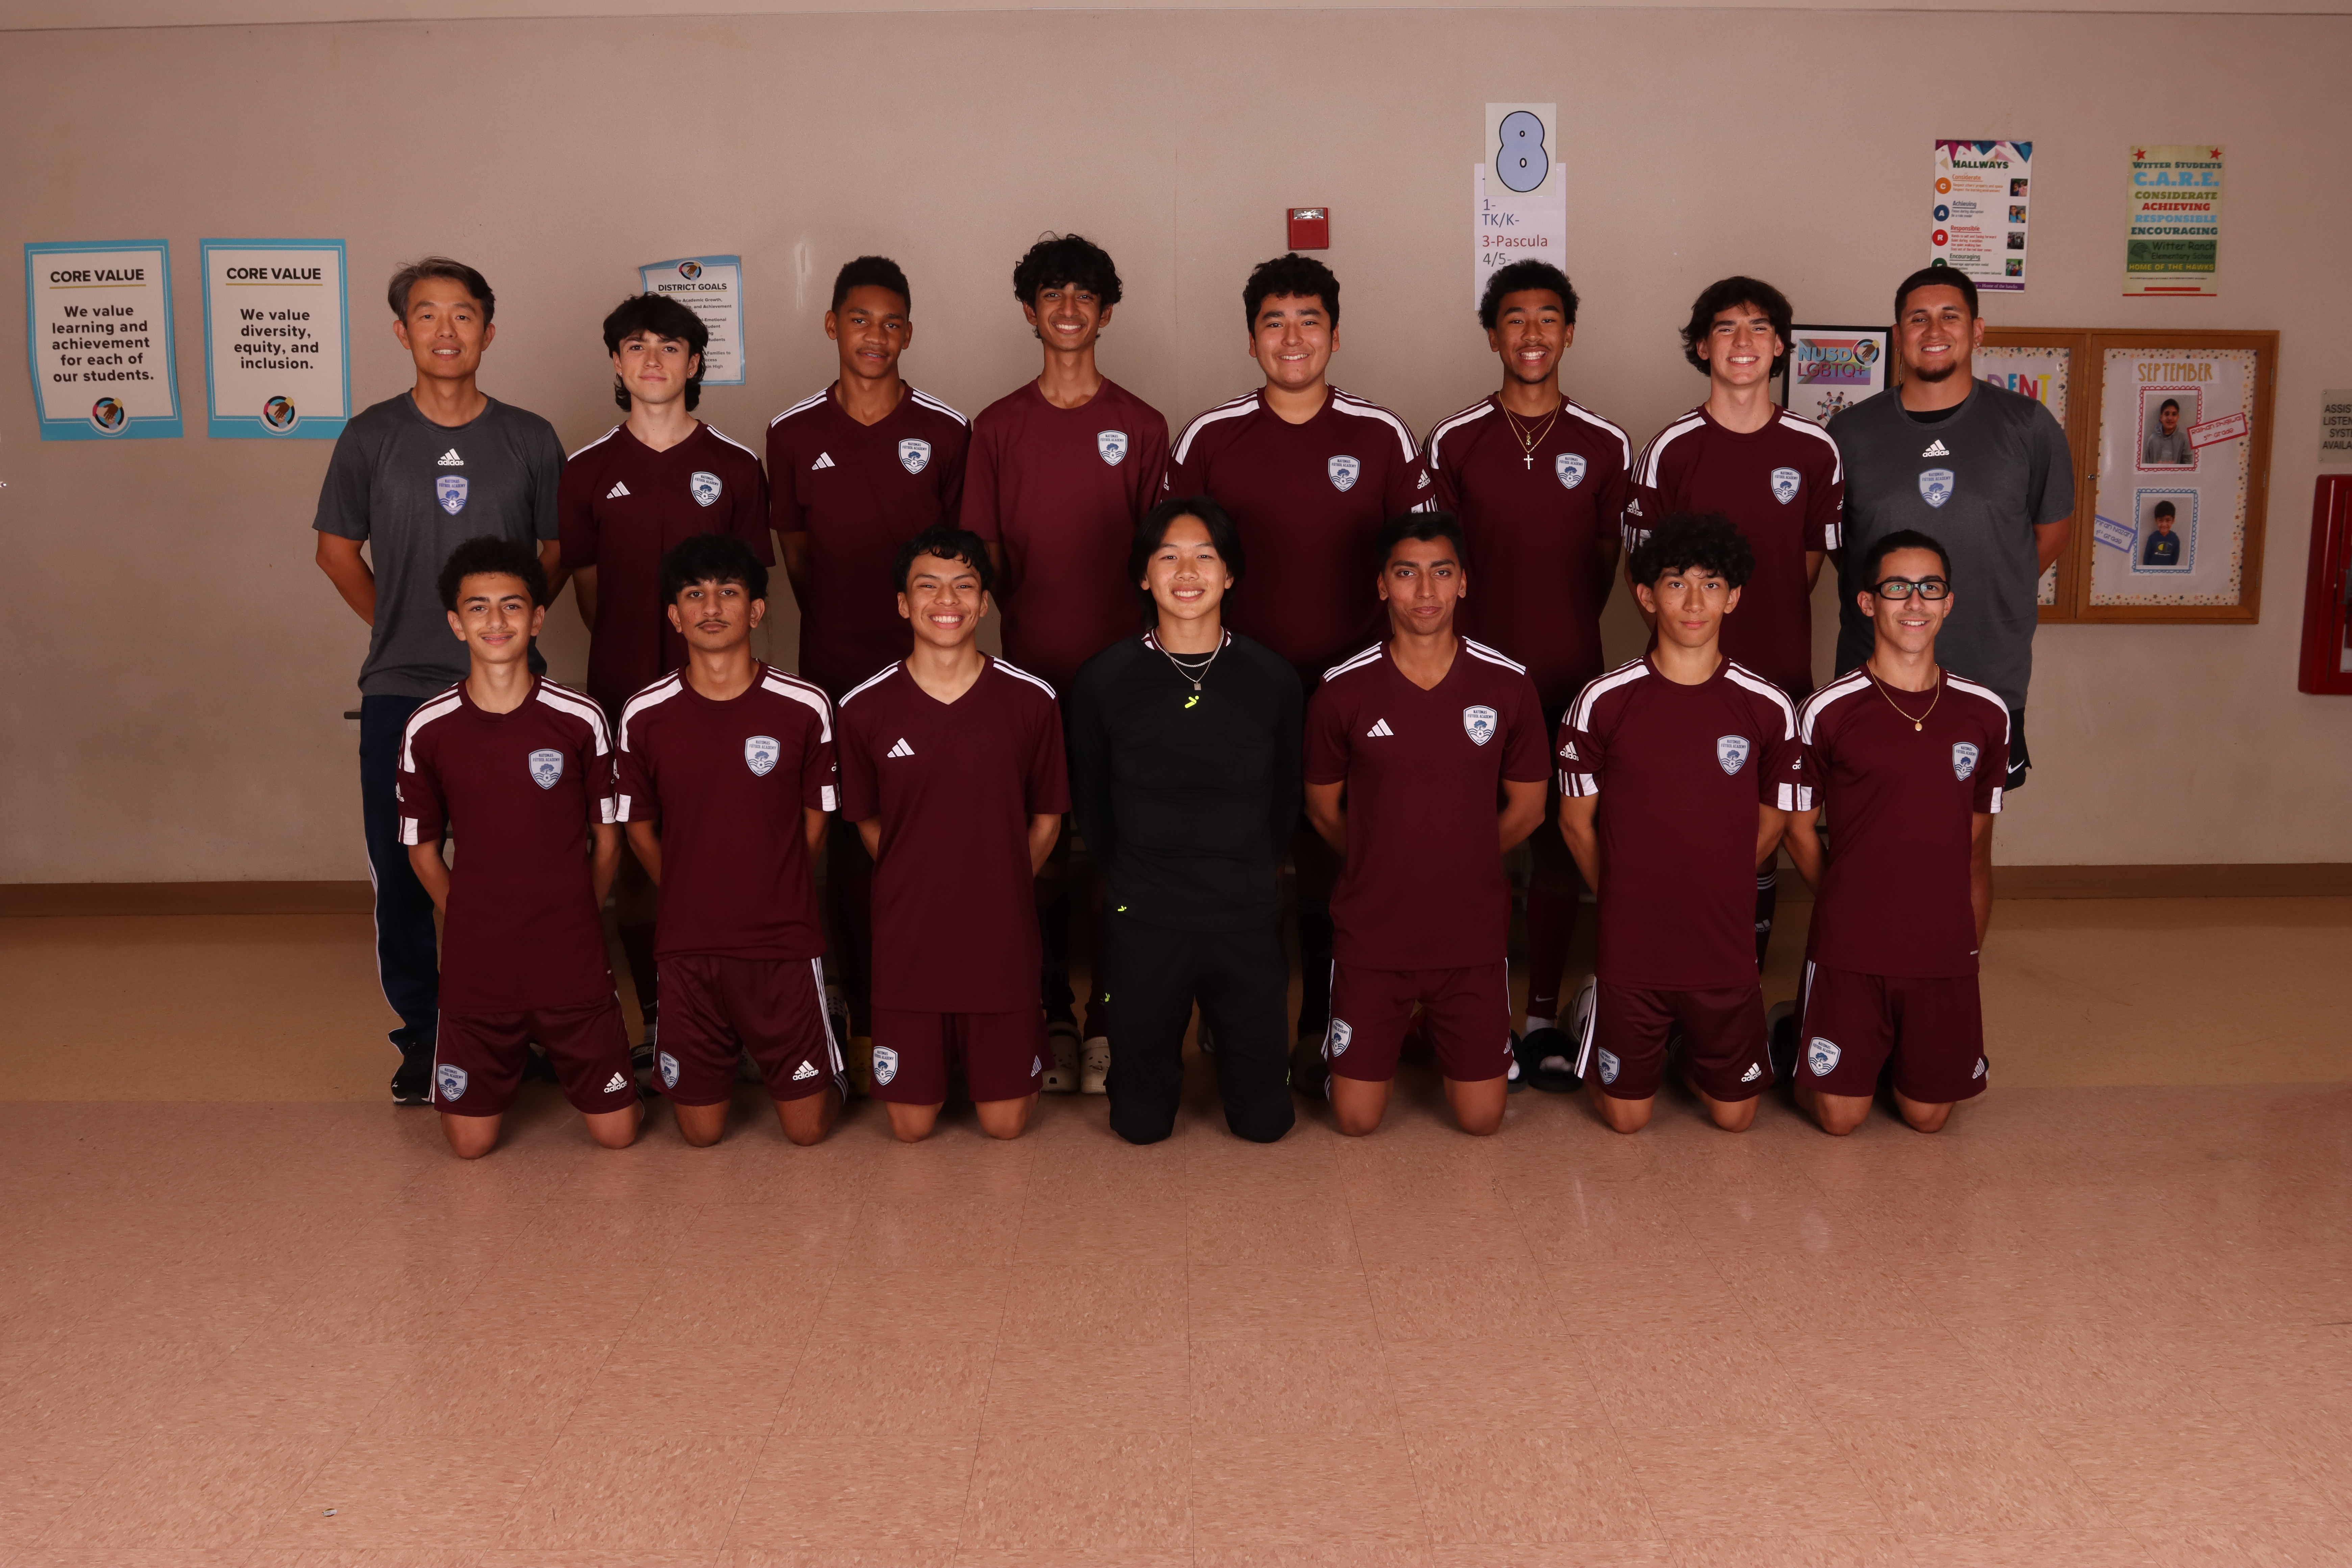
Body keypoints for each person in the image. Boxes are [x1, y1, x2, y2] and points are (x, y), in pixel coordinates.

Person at [1164, 252, 1431, 1056]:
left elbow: (1419, 563)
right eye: (1274, 323)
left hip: (1352, 688)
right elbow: (1175, 569)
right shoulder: (1211, 437)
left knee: (1333, 856)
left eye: (1309, 321)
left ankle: (1322, 1020)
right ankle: (1231, 1024)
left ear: (1335, 336)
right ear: (1251, 340)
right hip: (1235, 686)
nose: (1292, 338)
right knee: (1236, 854)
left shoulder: (1380, 434)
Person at [313, 256, 565, 1105]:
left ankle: (529, 1021)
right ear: (402, 331)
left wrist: (502, 636)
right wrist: (404, 626)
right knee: (401, 865)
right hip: (401, 688)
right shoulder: (370, 436)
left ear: (489, 331)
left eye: (464, 315)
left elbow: (558, 549)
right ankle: (425, 1032)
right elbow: (336, 553)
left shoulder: (529, 437)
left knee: (524, 868)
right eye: (427, 315)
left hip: (514, 693)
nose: (446, 330)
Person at [961, 234, 1169, 1093]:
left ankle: (1108, 1021)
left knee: (1117, 856)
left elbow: (1165, 564)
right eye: (1053, 294)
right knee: (1038, 853)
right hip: (1032, 680)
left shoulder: (1143, 425)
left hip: (1125, 683)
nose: (1070, 308)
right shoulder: (996, 428)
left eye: (1085, 295)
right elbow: (981, 563)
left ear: (1106, 312)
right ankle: (1049, 1010)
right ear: (1030, 311)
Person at [1423, 259, 1630, 1081]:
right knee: (1459, 844)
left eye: (1548, 317)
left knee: (1557, 846)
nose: (1532, 332)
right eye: (1515, 318)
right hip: (1467, 681)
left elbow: (1605, 563)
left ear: (1569, 333)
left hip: (1568, 677)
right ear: (1492, 335)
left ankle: (1541, 1016)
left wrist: (1559, 626)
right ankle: (1463, 1007)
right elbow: (1435, 569)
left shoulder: (1606, 442)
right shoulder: (1453, 440)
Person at [766, 256, 969, 1088]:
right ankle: (863, 1009)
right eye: (859, 319)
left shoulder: (948, 431)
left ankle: (942, 999)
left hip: (931, 674)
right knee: (851, 841)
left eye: (891, 323)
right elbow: (798, 557)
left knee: (933, 836)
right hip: (837, 672)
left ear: (908, 333)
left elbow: (959, 563)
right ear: (832, 326)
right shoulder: (791, 433)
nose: (875, 336)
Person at [559, 292, 771, 1079]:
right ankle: (659, 1018)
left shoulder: (736, 467)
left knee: (728, 847)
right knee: (637, 854)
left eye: (671, 346)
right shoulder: (586, 470)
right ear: (616, 363)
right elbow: (590, 594)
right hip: (623, 694)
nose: (653, 359)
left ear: (694, 362)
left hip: (720, 698)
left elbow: (752, 595)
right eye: (637, 346)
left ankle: (739, 1016)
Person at [1826, 266, 2072, 916]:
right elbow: (1844, 550)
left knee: (1966, 847)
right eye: (1918, 318)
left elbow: (2048, 535)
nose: (1933, 330)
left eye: (1950, 316)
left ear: (1978, 330)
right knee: (1865, 841)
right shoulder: (1850, 433)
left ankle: (1953, 969)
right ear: (1898, 334)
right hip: (1874, 676)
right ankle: (1866, 965)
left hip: (1986, 673)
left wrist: (1988, 591)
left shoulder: (2028, 426)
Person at [1301, 513, 1549, 1135]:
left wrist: (1464, 854)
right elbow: (1322, 809)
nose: (1426, 591)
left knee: (1483, 1120)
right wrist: (1380, 854)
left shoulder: (1509, 683)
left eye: (1441, 573)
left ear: (1464, 582)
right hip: (1374, 933)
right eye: (1407, 574)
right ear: (1382, 585)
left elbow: (1529, 809)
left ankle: (1429, 1033)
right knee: (1355, 1121)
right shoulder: (1341, 690)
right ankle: (1354, 1051)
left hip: (1469, 934)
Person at [1068, 497, 1300, 1146]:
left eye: (1205, 556)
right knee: (1140, 1126)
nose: (1188, 572)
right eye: (1168, 557)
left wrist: (1251, 872)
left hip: (1243, 915)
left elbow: (1286, 799)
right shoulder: (1103, 680)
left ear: (1230, 574)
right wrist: (1132, 880)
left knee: (1265, 1124)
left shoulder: (1273, 678)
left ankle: (1227, 1036)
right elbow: (1092, 804)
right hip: (1146, 917)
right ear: (1144, 576)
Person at [398, 537, 639, 1158]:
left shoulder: (580, 717)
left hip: (570, 958)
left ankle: (566, 1053)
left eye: (512, 605)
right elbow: (422, 851)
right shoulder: (428, 728)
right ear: (456, 624)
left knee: (617, 1135)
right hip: (480, 966)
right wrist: (470, 918)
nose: (496, 620)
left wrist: (577, 912)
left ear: (537, 619)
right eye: (477, 608)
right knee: (470, 1146)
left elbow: (608, 841)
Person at [1557, 514, 1797, 1134]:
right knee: (1626, 1121)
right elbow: (1577, 825)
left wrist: (1712, 886)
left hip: (1721, 944)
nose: (1694, 602)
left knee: (1736, 1118)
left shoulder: (1767, 706)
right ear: (1645, 595)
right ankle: (1590, 1009)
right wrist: (1623, 897)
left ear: (1733, 596)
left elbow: (1774, 823)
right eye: (1675, 584)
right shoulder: (1602, 701)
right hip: (1632, 947)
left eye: (1711, 584)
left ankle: (1692, 1042)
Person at [1627, 276, 1840, 971]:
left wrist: (1759, 615)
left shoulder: (1815, 449)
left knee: (1765, 827)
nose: (1743, 341)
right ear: (1701, 346)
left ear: (1779, 347)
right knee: (1684, 819)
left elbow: (1808, 563)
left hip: (1779, 670)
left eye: (1759, 328)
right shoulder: (1671, 448)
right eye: (1725, 328)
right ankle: (1671, 966)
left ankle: (1739, 975)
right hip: (1684, 682)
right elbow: (1644, 572)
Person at [837, 524, 1067, 1141]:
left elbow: (1047, 819)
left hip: (1000, 941)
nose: (947, 600)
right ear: (903, 603)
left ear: (985, 603)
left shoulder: (1032, 701)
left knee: (1005, 1125)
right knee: (910, 1128)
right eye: (928, 586)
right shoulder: (862, 709)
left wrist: (1000, 879)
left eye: (964, 586)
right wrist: (919, 877)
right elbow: (866, 819)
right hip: (910, 943)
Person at [615, 534, 844, 1147]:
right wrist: (685, 888)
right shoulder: (644, 713)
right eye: (695, 594)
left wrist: (777, 883)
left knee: (806, 1132)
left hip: (782, 941)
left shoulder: (805, 705)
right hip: (689, 945)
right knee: (700, 1134)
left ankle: (824, 1055)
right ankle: (738, 1050)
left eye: (729, 592)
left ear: (757, 610)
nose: (711, 606)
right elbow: (638, 828)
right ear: (675, 616)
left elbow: (816, 819)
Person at [1781, 530, 2007, 1135]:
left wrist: (1966, 954)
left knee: (1928, 1118)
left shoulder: (1985, 713)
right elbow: (1797, 831)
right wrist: (1848, 898)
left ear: (1948, 603)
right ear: (1868, 603)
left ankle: (1885, 1052)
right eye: (1898, 588)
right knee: (1839, 1119)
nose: (1915, 603)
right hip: (1852, 942)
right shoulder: (1827, 710)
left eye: (1930, 588)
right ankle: (1796, 1033)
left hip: (1940, 946)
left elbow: (1975, 850)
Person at [2144, 400, 2193, 465]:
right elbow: (2147, 464)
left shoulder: (2184, 439)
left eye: (2174, 414)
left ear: (2178, 418)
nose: (2170, 418)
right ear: (2161, 417)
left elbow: (2188, 465)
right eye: (2167, 414)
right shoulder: (2152, 439)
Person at [2142, 501, 2183, 566]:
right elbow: (2147, 557)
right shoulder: (2152, 538)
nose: (2164, 525)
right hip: (2152, 571)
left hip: (2167, 571)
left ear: (2173, 521)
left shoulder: (2175, 539)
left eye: (2168, 520)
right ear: (2156, 521)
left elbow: (2175, 558)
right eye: (2161, 520)